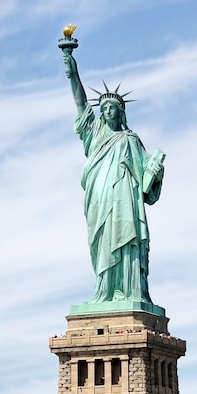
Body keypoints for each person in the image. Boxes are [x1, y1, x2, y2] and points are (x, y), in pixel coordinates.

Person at [63, 50, 164, 303]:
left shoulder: (131, 140)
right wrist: (71, 67)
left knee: (126, 238)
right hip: (100, 196)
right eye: (104, 108)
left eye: (113, 108)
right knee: (102, 242)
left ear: (121, 113)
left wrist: (156, 171)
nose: (107, 111)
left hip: (125, 201)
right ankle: (105, 291)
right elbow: (80, 102)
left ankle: (130, 291)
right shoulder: (94, 132)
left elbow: (145, 184)